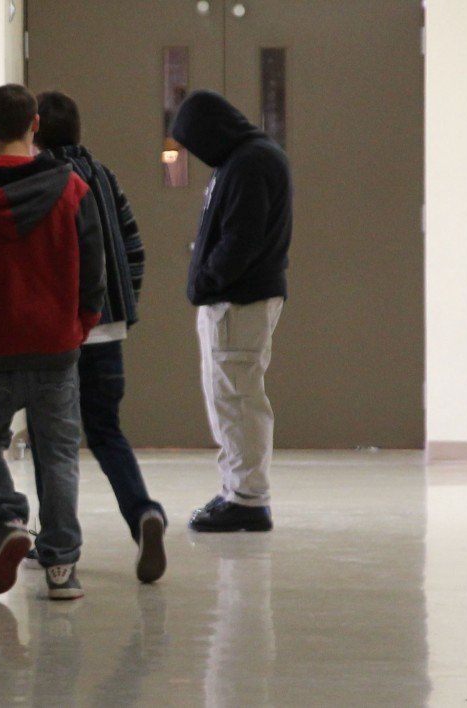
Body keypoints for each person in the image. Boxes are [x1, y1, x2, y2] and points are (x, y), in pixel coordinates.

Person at [0, 84, 105, 600]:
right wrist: (82, 323)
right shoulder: (72, 189)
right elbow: (93, 265)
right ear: (35, 124)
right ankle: (61, 569)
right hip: (55, 344)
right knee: (58, 454)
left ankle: (9, 518)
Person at [29, 91, 167, 583]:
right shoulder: (104, 177)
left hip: (58, 332)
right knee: (106, 430)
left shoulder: (38, 178)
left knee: (51, 438)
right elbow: (134, 249)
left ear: (35, 129)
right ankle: (144, 514)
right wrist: (122, 310)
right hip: (107, 327)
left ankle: (54, 541)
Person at [170, 90, 292, 532]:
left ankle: (247, 499)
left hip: (239, 301)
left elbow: (241, 239)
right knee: (229, 397)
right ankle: (237, 491)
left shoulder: (250, 162)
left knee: (237, 399)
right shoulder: (244, 159)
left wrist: (207, 281)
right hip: (234, 301)